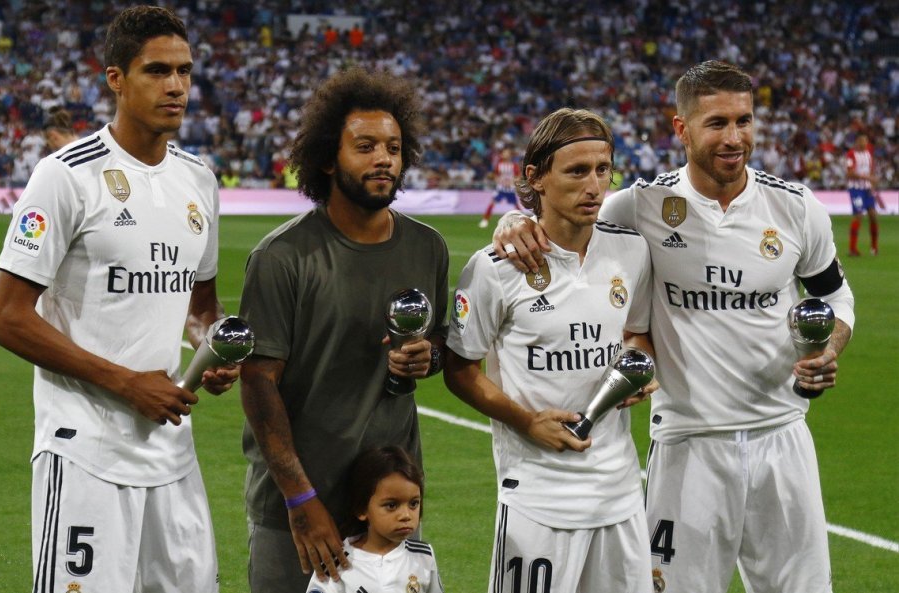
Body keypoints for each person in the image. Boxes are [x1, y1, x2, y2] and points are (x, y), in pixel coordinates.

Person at [493, 61, 855, 593]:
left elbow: (835, 295)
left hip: (783, 437)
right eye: (717, 124)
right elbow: (562, 219)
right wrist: (514, 222)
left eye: (744, 121)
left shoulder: (797, 208)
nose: (735, 138)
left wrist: (830, 348)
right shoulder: (640, 206)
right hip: (688, 444)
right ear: (681, 129)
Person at [0, 6, 238, 592]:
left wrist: (212, 350)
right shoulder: (65, 176)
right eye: (156, 71)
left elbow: (202, 307)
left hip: (170, 449)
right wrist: (127, 382)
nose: (175, 86)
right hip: (84, 450)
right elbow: (6, 319)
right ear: (116, 79)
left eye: (185, 71)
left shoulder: (199, 180)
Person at [238, 67, 451, 592]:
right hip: (299, 505)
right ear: (329, 159)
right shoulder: (282, 256)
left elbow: (443, 341)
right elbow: (257, 382)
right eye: (366, 146)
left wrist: (429, 354)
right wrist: (299, 497)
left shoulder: (428, 248)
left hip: (388, 505)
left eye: (394, 148)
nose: (384, 158)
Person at [445, 108, 655, 593]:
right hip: (537, 497)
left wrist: (639, 369)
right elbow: (459, 369)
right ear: (535, 177)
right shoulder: (495, 268)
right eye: (577, 171)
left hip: (619, 493)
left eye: (603, 170)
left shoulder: (631, 252)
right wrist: (525, 420)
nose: (594, 187)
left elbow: (637, 335)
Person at [305, 446, 444, 593]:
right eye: (391, 505)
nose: (406, 515)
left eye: (413, 503)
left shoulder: (423, 556)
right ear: (362, 509)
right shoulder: (338, 562)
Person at [845, 133, 886, 256]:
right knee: (858, 215)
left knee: (873, 215)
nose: (864, 143)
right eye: (862, 141)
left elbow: (871, 172)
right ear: (857, 142)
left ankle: (874, 248)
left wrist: (872, 187)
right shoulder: (851, 154)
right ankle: (852, 249)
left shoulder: (868, 154)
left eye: (866, 141)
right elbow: (849, 173)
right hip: (856, 189)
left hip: (867, 189)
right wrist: (867, 177)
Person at [478, 147, 521, 228]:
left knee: (516, 205)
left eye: (507, 153)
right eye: (504, 153)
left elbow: (518, 176)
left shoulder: (514, 165)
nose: (505, 154)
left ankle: (522, 220)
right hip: (500, 188)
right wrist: (498, 181)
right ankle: (485, 220)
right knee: (492, 202)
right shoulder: (499, 164)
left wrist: (512, 182)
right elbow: (495, 175)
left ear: (510, 155)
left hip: (510, 189)